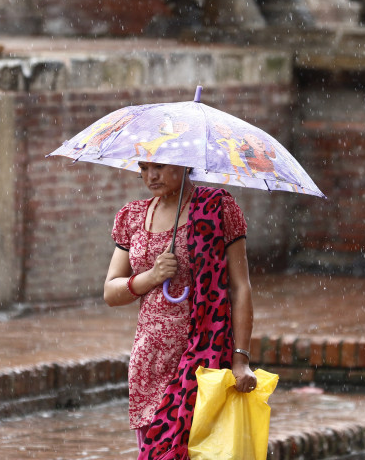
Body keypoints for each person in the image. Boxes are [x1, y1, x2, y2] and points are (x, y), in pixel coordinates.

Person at [104, 161, 257, 459]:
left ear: (185, 164)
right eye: (144, 168)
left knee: (196, 450)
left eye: (159, 166)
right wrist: (152, 276)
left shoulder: (217, 209)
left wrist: (241, 360)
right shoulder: (132, 216)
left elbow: (240, 288)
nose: (151, 176)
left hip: (202, 357)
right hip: (149, 361)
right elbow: (111, 291)